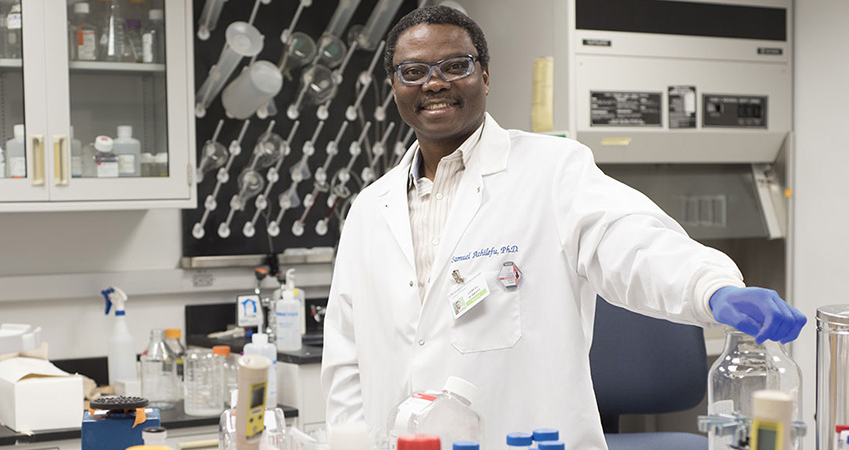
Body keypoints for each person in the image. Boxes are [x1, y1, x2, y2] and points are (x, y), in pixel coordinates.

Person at [320, 6, 806, 450]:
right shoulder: (369, 209)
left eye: (455, 66)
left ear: (485, 76)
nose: (434, 83)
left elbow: (631, 240)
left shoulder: (552, 170)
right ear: (394, 86)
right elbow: (346, 359)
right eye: (414, 71)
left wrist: (711, 287)